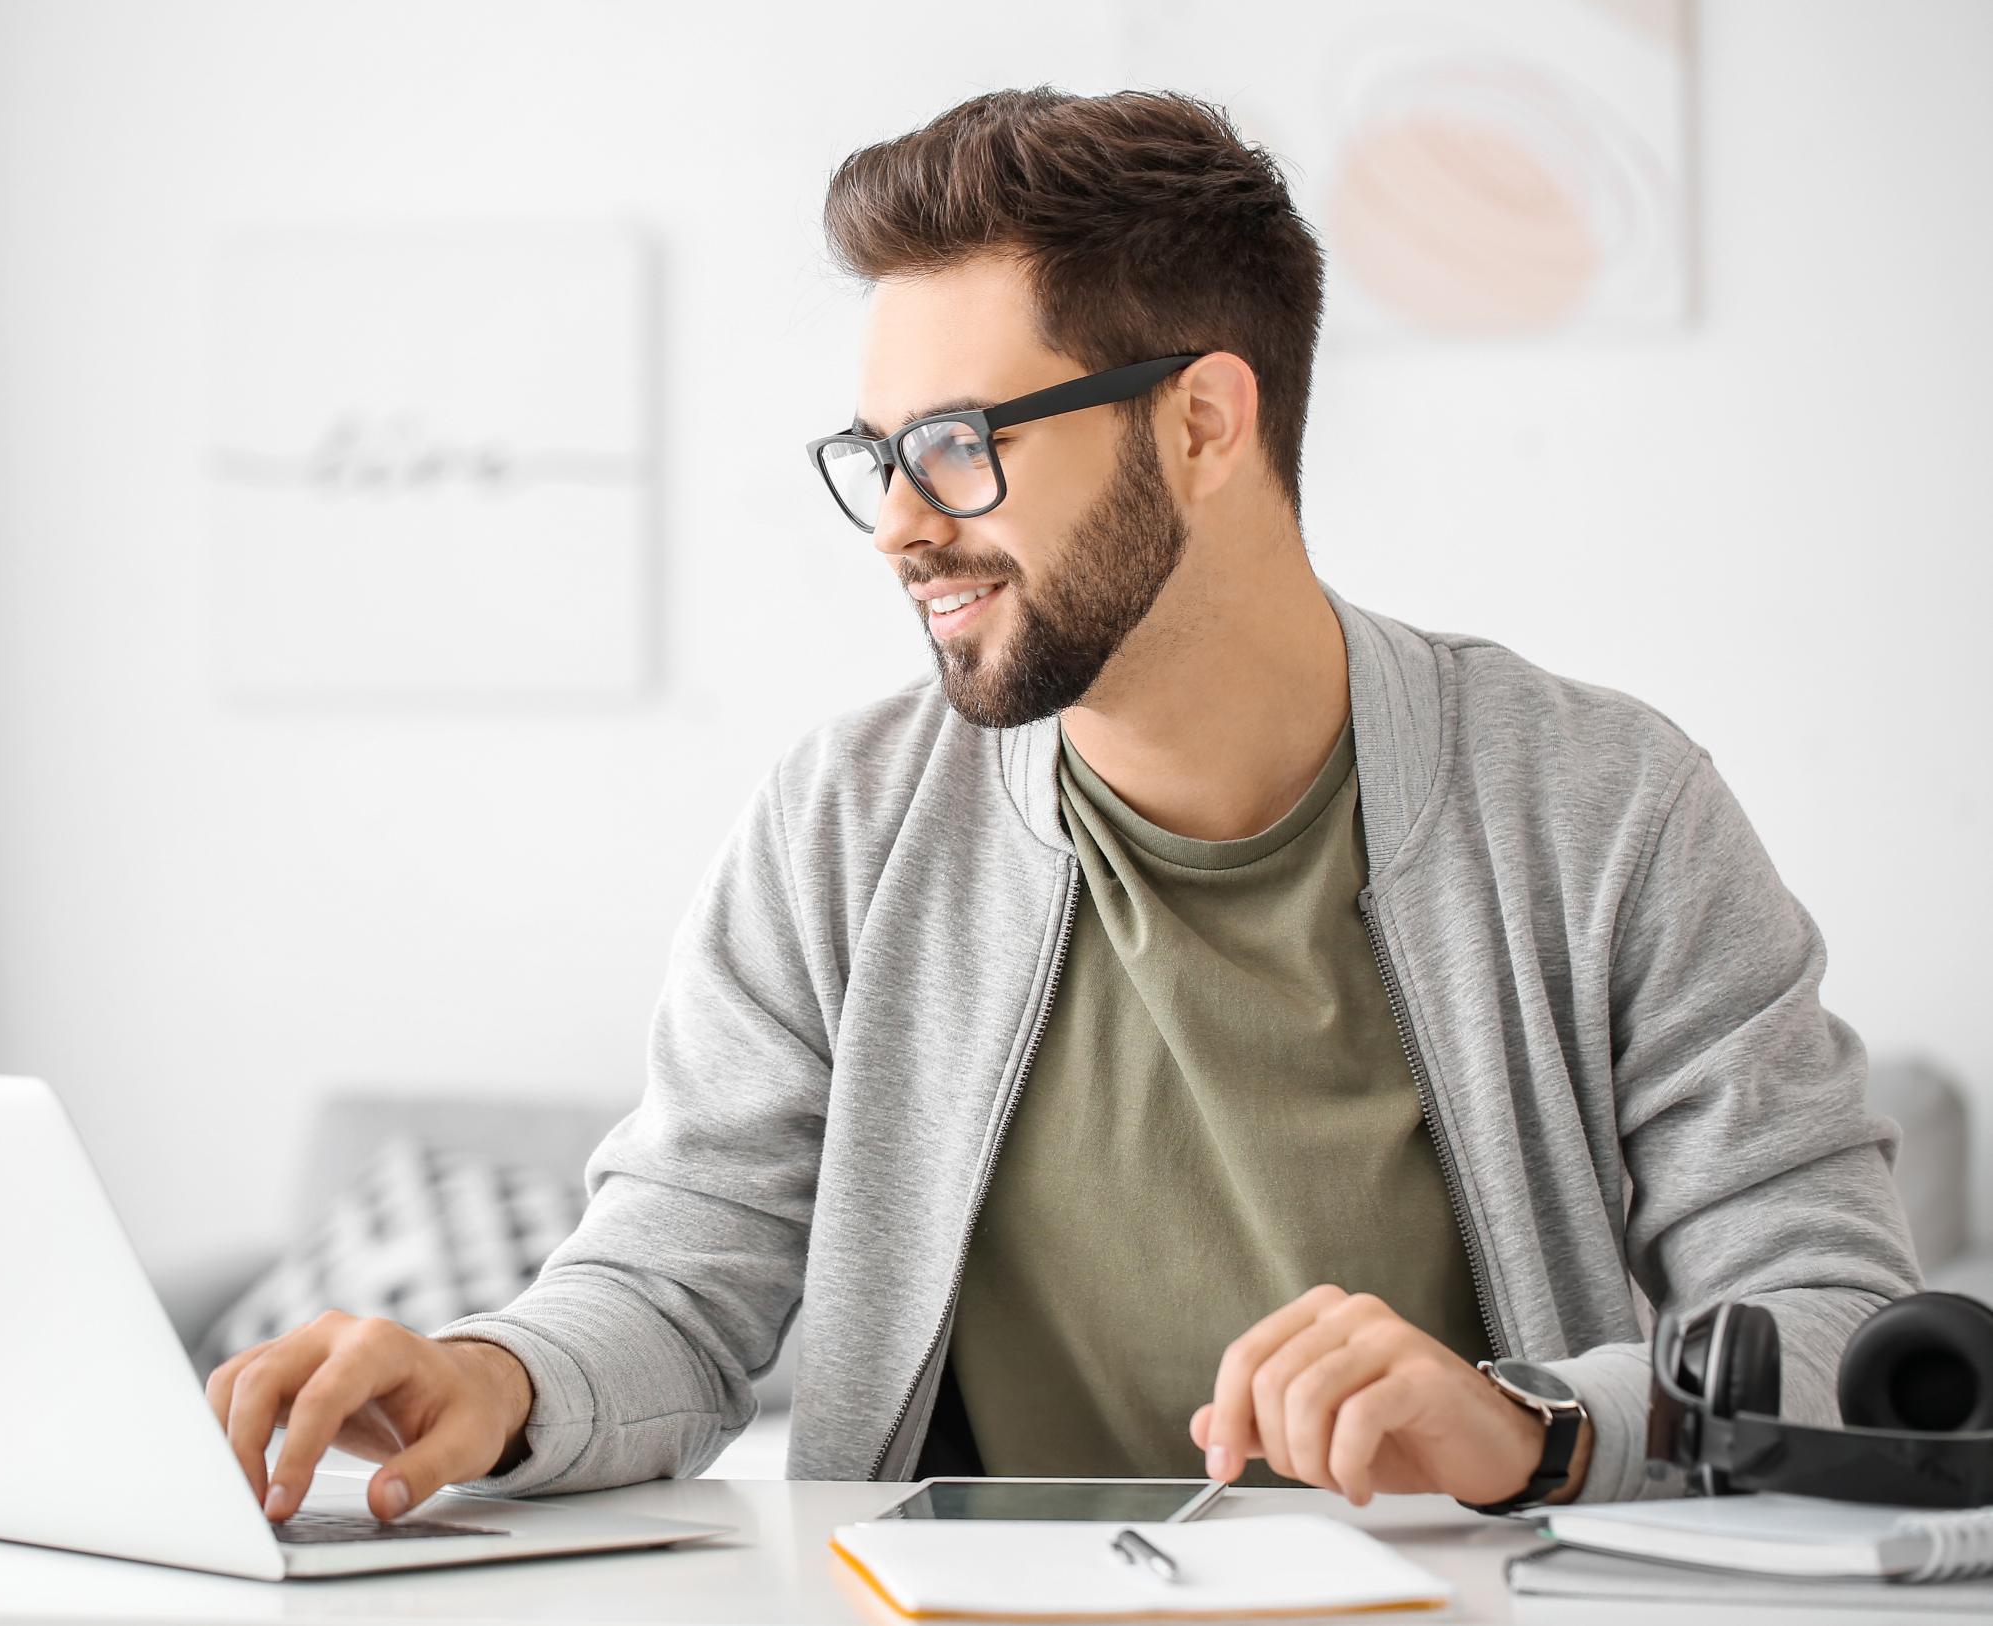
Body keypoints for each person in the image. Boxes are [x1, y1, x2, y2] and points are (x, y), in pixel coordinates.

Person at [204, 86, 1921, 1527]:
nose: (898, 523)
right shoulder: (843, 823)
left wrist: (1532, 1425)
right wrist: (491, 1377)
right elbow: (674, 1278)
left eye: (959, 442)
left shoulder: (1608, 809)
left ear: (1202, 422)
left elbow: (1839, 1324)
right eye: (877, 455)